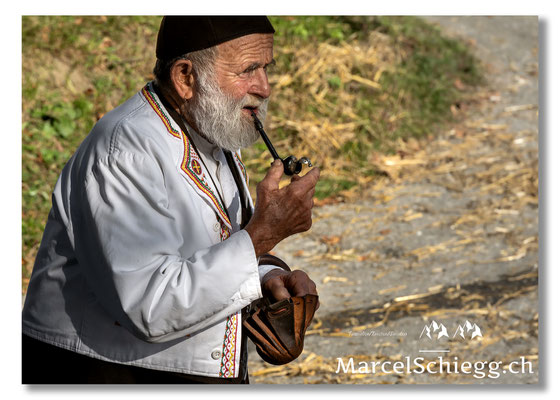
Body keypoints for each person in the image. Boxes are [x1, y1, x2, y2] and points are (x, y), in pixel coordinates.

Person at [22, 16, 320, 384]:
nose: (265, 87)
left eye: (265, 68)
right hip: (104, 376)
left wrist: (268, 278)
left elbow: (210, 248)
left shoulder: (206, 132)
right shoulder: (126, 150)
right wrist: (263, 235)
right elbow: (149, 306)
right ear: (185, 78)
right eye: (248, 69)